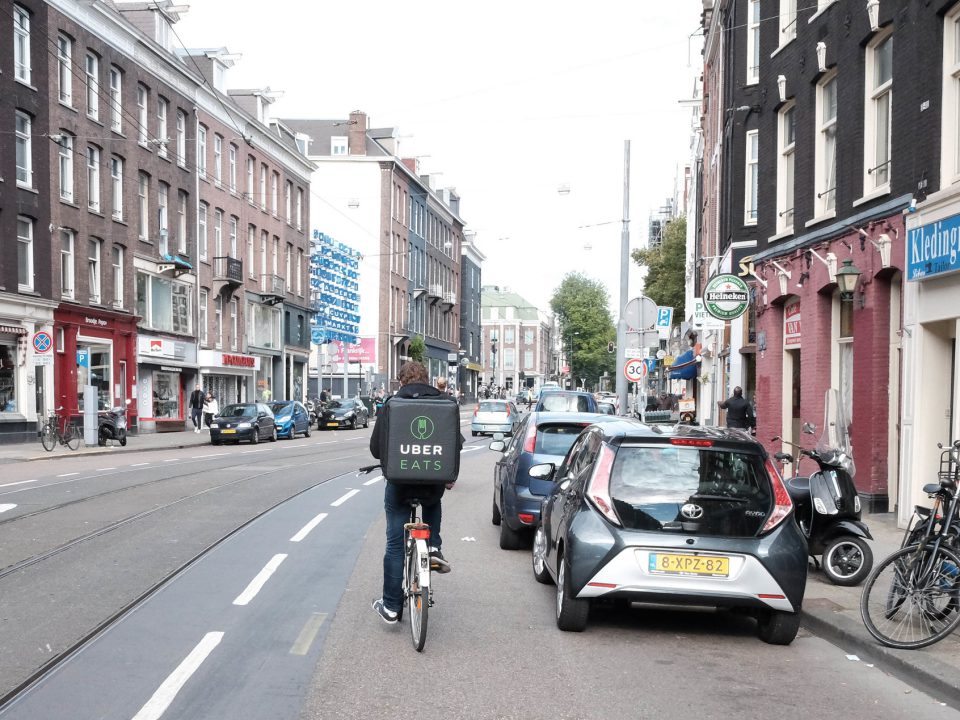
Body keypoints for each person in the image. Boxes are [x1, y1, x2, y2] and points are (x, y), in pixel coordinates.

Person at [369, 360, 463, 625]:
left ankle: (390, 607)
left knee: (395, 545)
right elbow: (455, 444)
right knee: (433, 500)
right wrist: (449, 476)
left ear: (402, 381)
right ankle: (433, 546)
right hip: (432, 484)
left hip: (399, 485)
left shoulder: (390, 405)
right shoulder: (446, 404)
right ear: (427, 379)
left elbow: (376, 449)